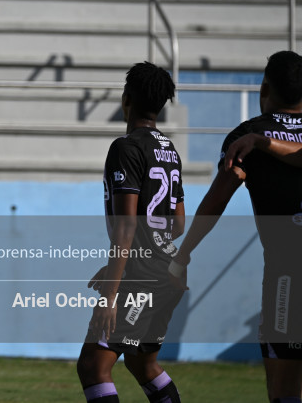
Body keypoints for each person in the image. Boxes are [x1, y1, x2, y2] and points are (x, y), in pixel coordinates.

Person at [170, 50, 302, 403]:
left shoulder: (249, 136)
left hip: (288, 278)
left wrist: (183, 255)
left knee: (284, 394)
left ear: (264, 89)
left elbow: (216, 202)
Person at [77, 62, 185, 403]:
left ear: (126, 99)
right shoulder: (170, 150)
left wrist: (111, 295)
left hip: (141, 279)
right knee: (142, 364)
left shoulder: (125, 148)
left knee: (94, 367)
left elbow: (126, 227)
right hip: (166, 273)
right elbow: (178, 223)